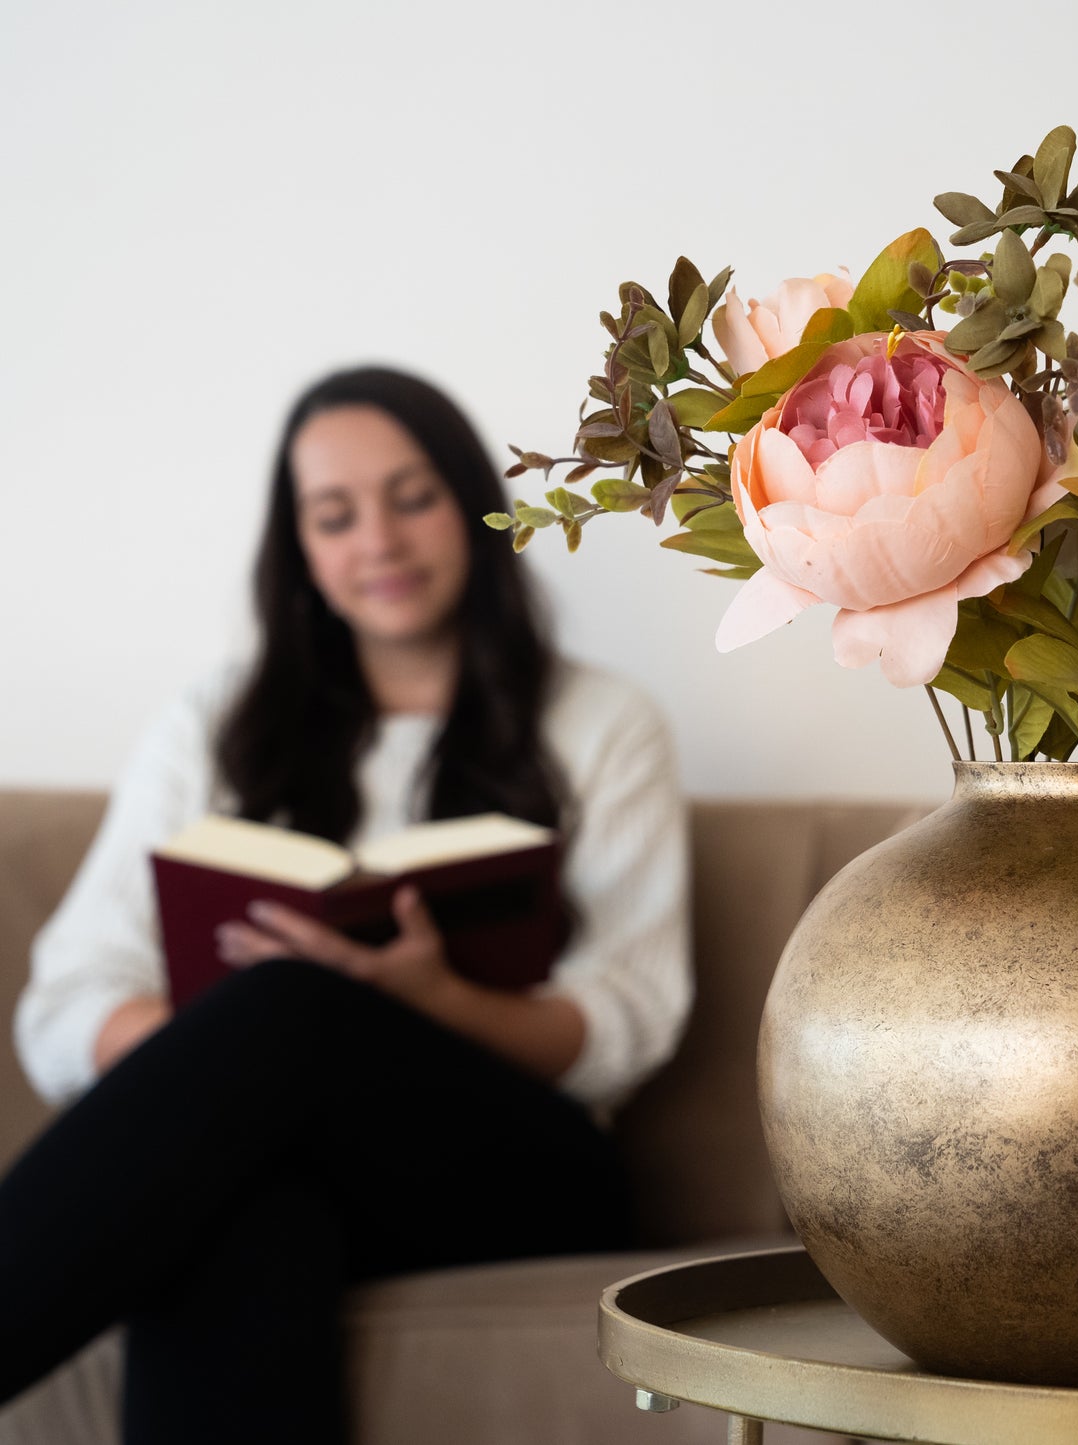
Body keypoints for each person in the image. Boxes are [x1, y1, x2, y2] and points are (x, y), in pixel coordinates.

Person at [0, 366, 692, 1443]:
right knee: (246, 1209)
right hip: (283, 1160)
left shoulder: (602, 721)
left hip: (513, 1172)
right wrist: (225, 1069)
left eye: (411, 497)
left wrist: (424, 998)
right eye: (334, 514)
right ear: (301, 549)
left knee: (292, 1007)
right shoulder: (212, 724)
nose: (378, 538)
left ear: (472, 502)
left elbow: (629, 1020)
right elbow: (66, 1001)